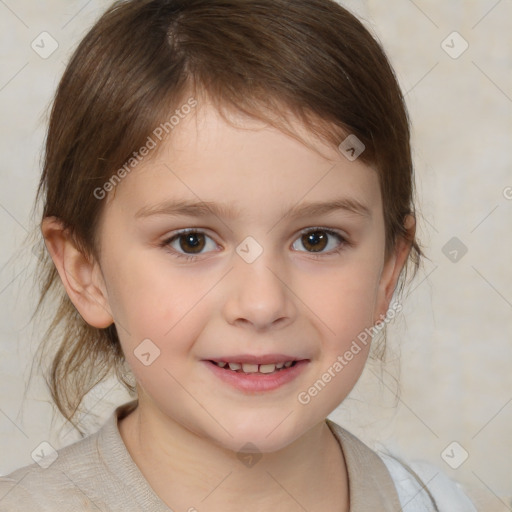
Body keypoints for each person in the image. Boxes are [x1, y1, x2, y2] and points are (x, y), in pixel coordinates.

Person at [0, 0, 477, 510]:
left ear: (387, 272)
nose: (262, 303)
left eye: (317, 239)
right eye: (191, 241)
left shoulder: (433, 501)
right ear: (86, 272)